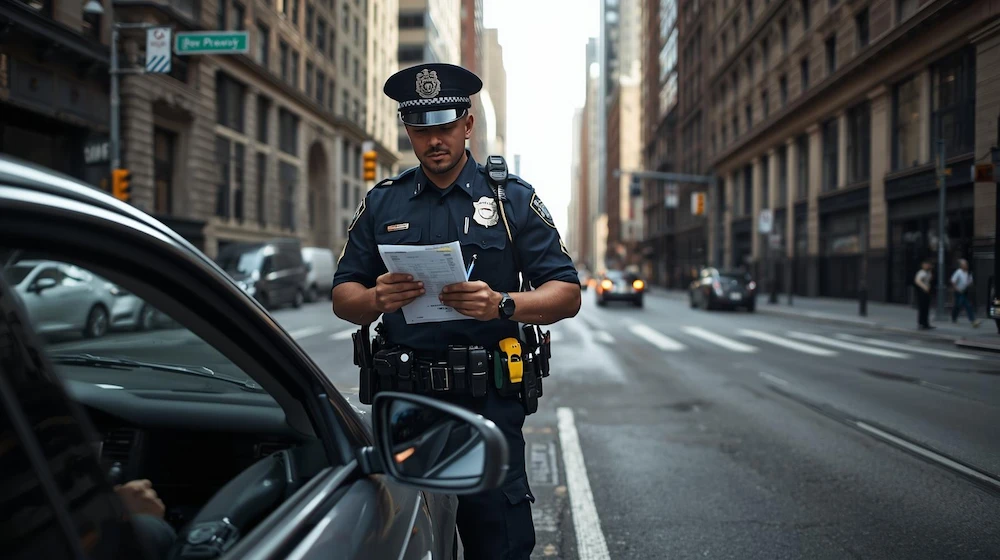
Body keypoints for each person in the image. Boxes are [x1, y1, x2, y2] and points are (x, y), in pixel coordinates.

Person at [332, 62, 581, 560]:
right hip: (405, 402)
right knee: (408, 541)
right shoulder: (384, 202)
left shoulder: (510, 199)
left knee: (498, 542)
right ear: (408, 130)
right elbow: (344, 298)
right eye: (421, 129)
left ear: (467, 124)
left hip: (487, 401)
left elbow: (567, 293)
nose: (434, 140)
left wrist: (503, 304)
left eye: (445, 126)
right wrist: (377, 297)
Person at [950, 259, 981, 327]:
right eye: (964, 264)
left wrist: (970, 284)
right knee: (963, 305)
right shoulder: (958, 272)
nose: (966, 266)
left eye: (966, 264)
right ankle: (972, 320)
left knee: (962, 305)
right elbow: (953, 281)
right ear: (961, 266)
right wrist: (957, 289)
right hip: (958, 291)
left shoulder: (968, 273)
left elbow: (970, 282)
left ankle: (971, 320)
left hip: (964, 291)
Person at [914, 259, 934, 329]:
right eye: (926, 265)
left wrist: (931, 271)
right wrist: (924, 287)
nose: (927, 266)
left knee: (926, 308)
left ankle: (926, 323)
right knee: (922, 308)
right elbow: (917, 281)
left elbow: (930, 279)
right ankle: (920, 323)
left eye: (928, 265)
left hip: (927, 292)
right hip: (922, 291)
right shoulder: (921, 272)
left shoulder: (928, 273)